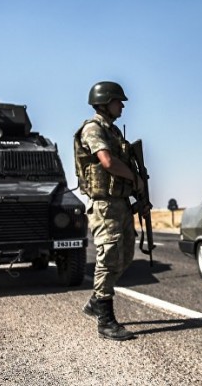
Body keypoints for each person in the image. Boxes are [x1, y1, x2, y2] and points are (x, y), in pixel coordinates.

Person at [74, 81, 146, 340]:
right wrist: (135, 180)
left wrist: (138, 191)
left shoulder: (113, 132)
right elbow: (106, 162)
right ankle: (105, 320)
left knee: (125, 256)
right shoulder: (93, 129)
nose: (122, 105)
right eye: (118, 101)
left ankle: (96, 300)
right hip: (104, 204)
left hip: (120, 202)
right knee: (108, 257)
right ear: (105, 103)